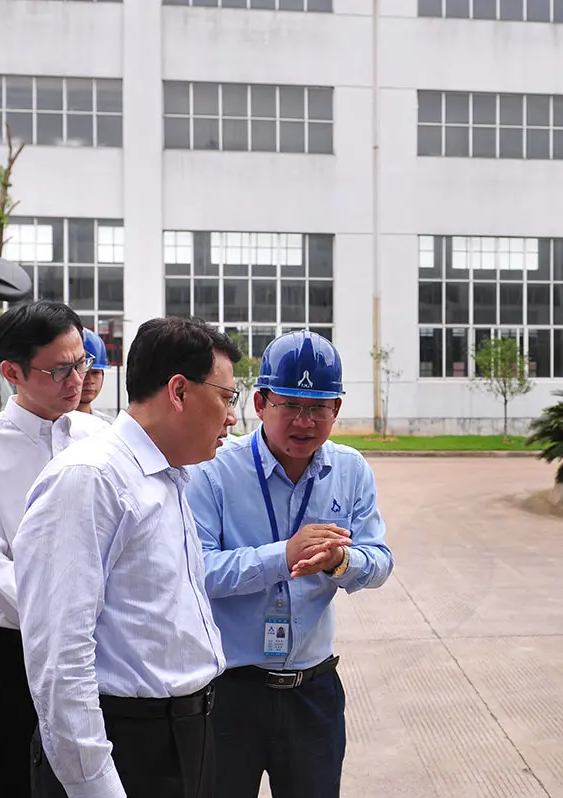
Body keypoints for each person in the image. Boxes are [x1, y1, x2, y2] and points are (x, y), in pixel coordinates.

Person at [15, 318, 241, 798]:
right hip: (128, 745)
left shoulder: (168, 476)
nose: (232, 418)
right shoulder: (92, 479)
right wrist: (92, 784)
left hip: (186, 734)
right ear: (178, 391)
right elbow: (60, 657)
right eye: (227, 398)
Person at [187, 329, 394, 798]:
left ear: (336, 408)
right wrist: (282, 556)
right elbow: (198, 571)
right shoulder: (216, 469)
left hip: (312, 693)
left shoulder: (350, 470)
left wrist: (341, 561)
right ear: (261, 403)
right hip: (230, 691)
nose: (305, 422)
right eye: (291, 406)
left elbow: (379, 560)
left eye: (318, 407)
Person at [0, 301, 108, 798]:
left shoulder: (100, 436)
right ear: (12, 372)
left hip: (101, 642)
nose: (76, 380)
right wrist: (61, 622)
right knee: (15, 775)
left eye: (81, 363)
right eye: (58, 370)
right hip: (18, 649)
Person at [77, 327, 108, 416]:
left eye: (96, 372)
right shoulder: (50, 423)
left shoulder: (108, 423)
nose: (90, 380)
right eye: (83, 372)